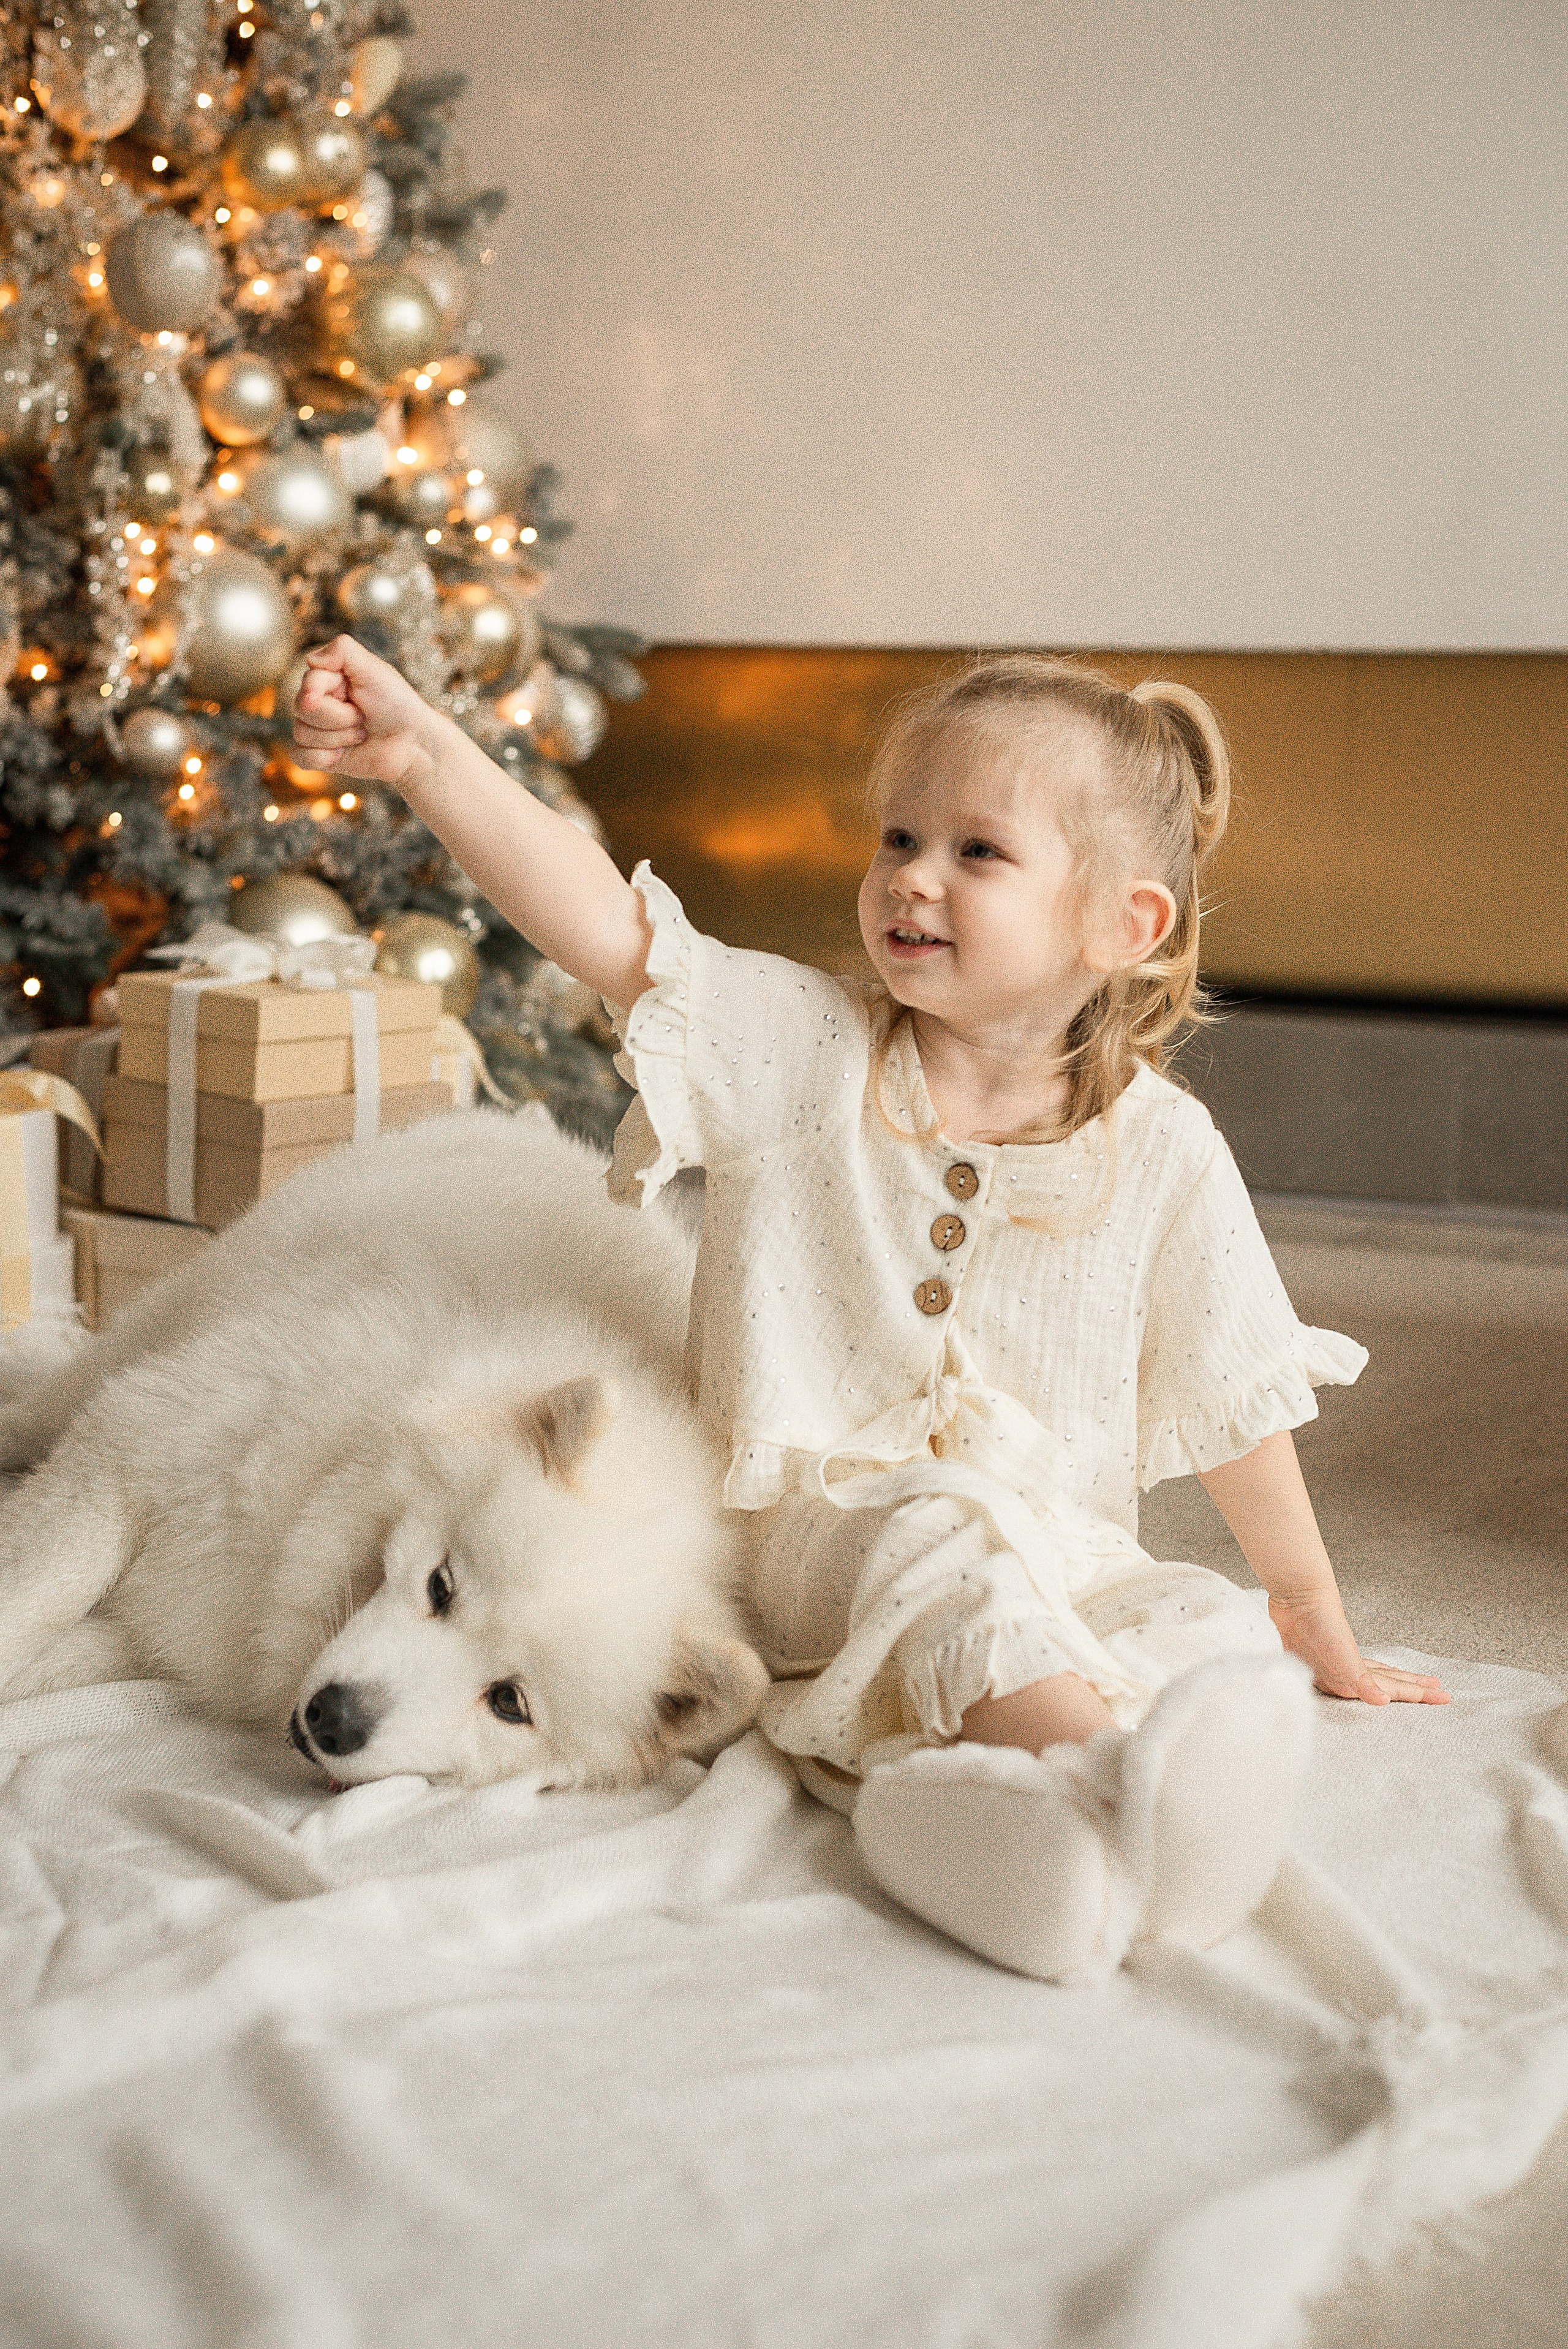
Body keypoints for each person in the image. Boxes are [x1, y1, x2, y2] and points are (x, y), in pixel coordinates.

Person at [293, 640, 1447, 1983]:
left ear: (1118, 927)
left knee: (1177, 1615)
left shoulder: (1166, 1150)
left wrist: (1300, 1604)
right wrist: (427, 753)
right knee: (942, 1555)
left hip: (1050, 1538)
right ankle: (1129, 1788)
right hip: (818, 1534)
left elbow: (1231, 1388)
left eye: (976, 851)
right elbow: (609, 929)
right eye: (899, 835)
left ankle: (1017, 1847)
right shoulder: (800, 1052)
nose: (910, 874)